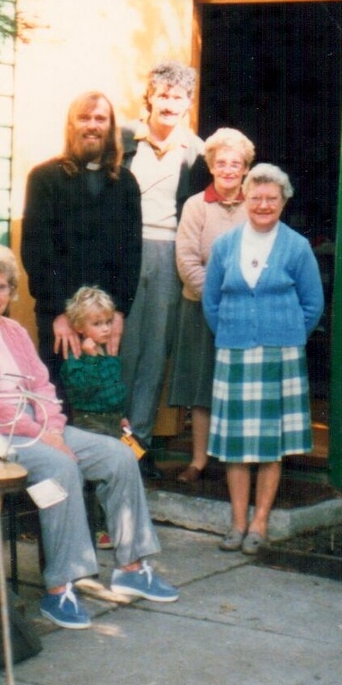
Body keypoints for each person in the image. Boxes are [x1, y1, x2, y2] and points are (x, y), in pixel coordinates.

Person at [0, 244, 177, 631]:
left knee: (119, 456)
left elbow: (43, 385)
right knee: (60, 468)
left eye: (2, 287)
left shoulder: (13, 330)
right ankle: (59, 587)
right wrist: (44, 434)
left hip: (36, 428)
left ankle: (131, 567)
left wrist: (55, 427)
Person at [203, 164, 324, 555]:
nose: (263, 205)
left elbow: (313, 304)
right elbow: (211, 303)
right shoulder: (224, 245)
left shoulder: (296, 246)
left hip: (280, 355)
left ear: (284, 202)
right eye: (256, 197)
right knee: (236, 447)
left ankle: (260, 523)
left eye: (272, 198)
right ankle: (237, 524)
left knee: (270, 445)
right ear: (244, 200)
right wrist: (234, 332)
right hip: (235, 352)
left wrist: (286, 335)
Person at [21, 90, 141, 397]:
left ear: (110, 127)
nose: (92, 125)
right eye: (84, 118)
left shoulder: (125, 184)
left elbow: (131, 253)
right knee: (60, 397)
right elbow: (36, 253)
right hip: (59, 315)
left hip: (105, 320)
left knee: (101, 398)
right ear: (71, 125)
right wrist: (59, 313)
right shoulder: (44, 178)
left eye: (100, 119)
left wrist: (118, 313)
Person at [120, 61, 209, 472]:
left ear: (188, 103)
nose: (170, 104)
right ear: (149, 98)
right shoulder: (121, 141)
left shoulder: (198, 150)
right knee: (121, 346)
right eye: (164, 95)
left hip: (170, 251)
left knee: (155, 351)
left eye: (179, 97)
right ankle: (109, 441)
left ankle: (138, 445)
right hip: (126, 249)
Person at [168, 127, 256, 484]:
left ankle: (237, 460)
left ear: (247, 168)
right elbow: (187, 259)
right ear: (211, 166)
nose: (229, 169)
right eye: (221, 163)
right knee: (203, 388)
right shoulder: (195, 205)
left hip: (246, 312)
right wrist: (216, 301)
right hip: (202, 308)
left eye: (236, 163)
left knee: (241, 386)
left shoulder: (257, 204)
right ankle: (199, 461)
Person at [60, 286, 129, 438]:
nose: (105, 329)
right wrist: (91, 359)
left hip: (113, 421)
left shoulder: (110, 354)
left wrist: (121, 416)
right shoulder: (76, 359)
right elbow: (83, 390)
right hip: (90, 423)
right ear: (79, 327)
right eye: (97, 324)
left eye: (108, 322)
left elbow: (116, 390)